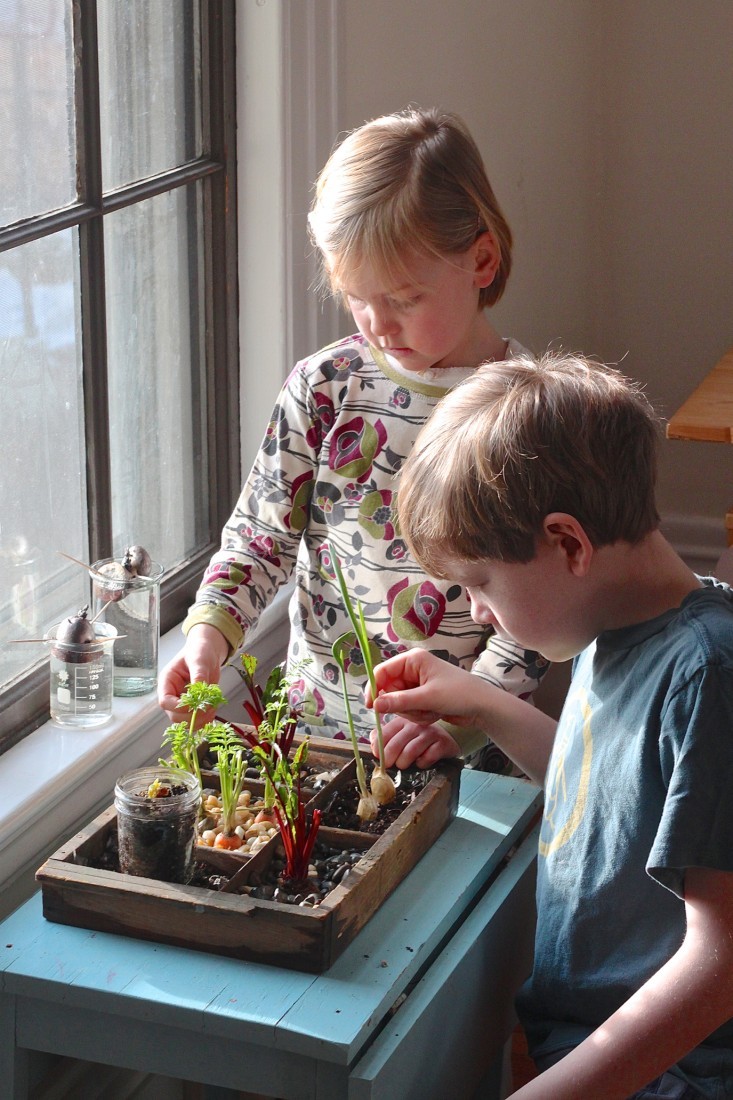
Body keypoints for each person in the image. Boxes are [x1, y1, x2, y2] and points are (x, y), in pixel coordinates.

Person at [365, 351, 733, 1099]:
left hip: (672, 1079)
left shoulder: (709, 676)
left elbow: (720, 966)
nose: (474, 610)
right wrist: (484, 702)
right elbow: (612, 796)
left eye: (479, 582)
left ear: (567, 543)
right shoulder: (615, 626)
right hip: (585, 1050)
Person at [158, 106, 548, 755]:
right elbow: (260, 539)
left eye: (402, 299)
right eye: (355, 297)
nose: (377, 324)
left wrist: (463, 721)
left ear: (481, 260)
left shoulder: (523, 415)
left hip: (453, 746)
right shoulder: (323, 388)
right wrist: (208, 638)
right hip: (311, 733)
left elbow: (537, 610)